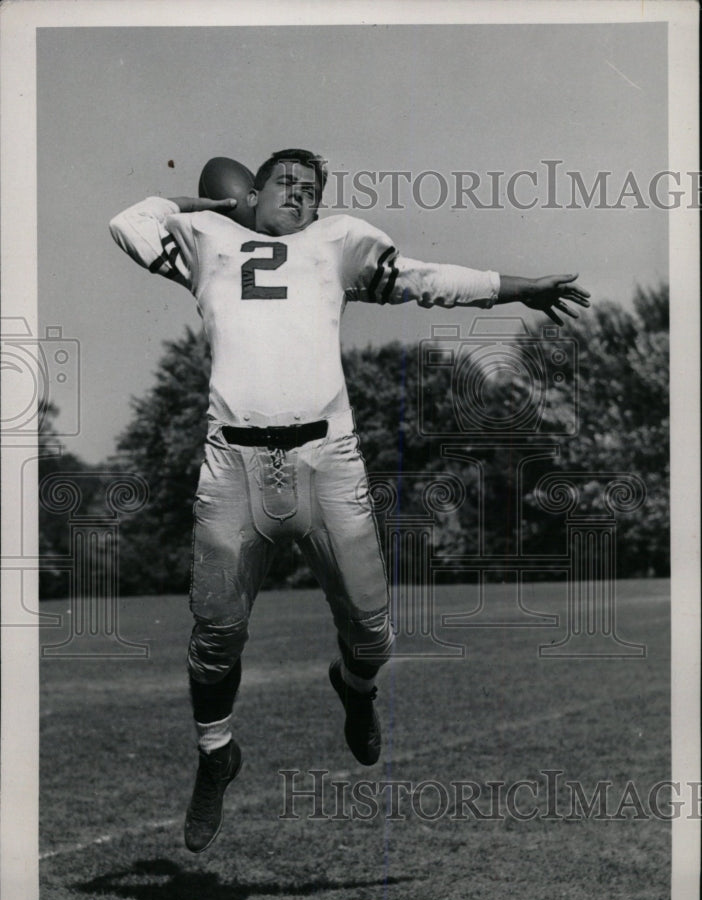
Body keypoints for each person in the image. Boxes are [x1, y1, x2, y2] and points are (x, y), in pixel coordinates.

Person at [109, 148, 590, 853]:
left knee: (374, 635)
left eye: (311, 189)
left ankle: (354, 687)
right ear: (255, 191)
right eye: (286, 186)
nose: (299, 198)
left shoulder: (336, 241)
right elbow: (129, 221)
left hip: (325, 459)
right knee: (214, 636)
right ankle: (217, 753)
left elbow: (426, 279)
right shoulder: (204, 241)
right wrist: (206, 205)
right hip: (233, 462)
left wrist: (513, 287)